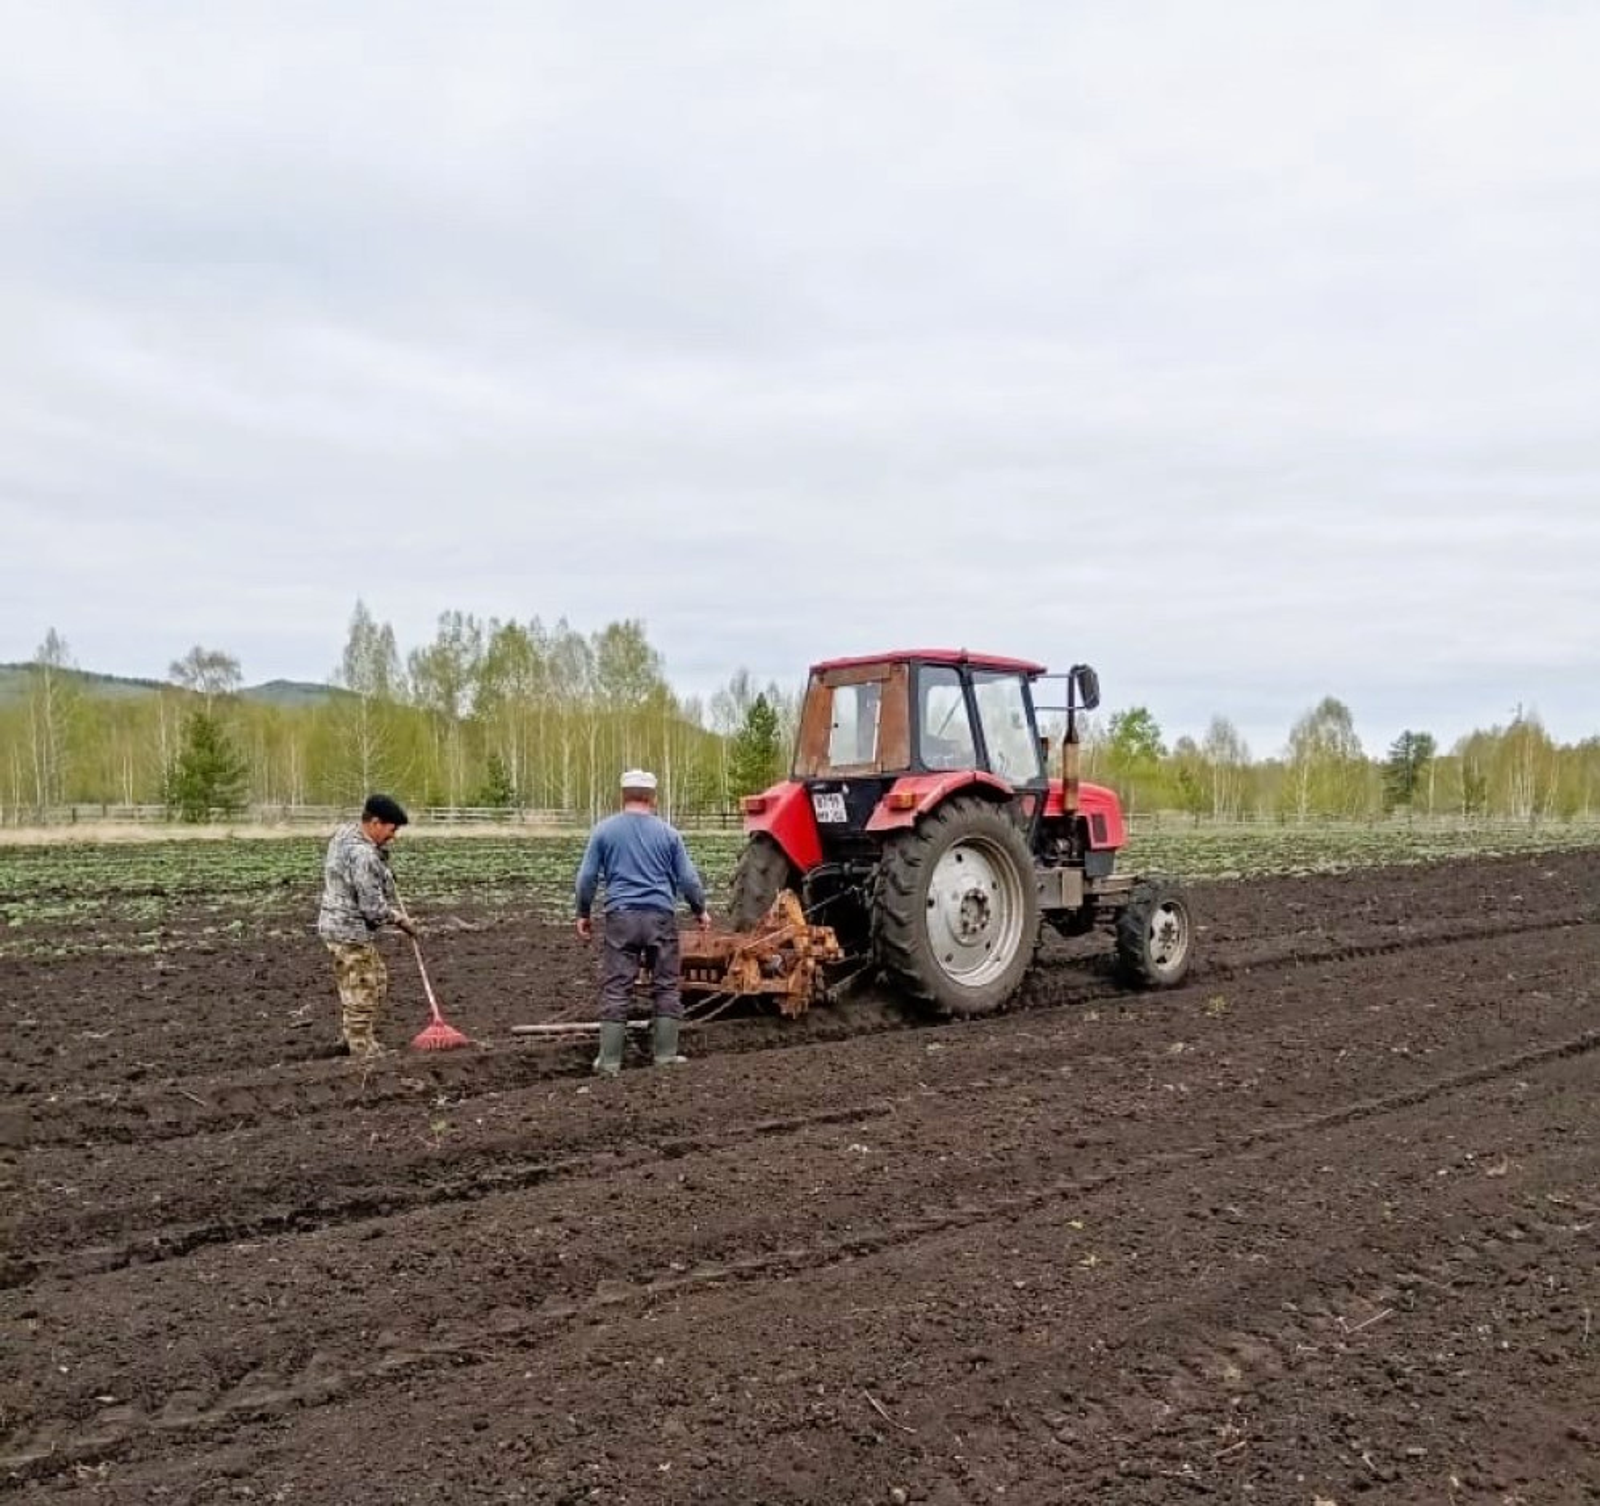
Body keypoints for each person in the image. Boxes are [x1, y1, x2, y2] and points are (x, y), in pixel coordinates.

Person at [574, 769, 711, 1076]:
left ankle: (609, 1062)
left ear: (622, 796)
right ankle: (664, 1057)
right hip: (660, 917)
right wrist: (700, 910)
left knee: (617, 986)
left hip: (620, 917)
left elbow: (585, 878)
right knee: (665, 985)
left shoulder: (604, 831)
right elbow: (688, 880)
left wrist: (583, 913)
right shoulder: (669, 834)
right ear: (653, 798)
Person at [316, 792, 417, 1059]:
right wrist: (400, 920)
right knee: (364, 987)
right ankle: (362, 1051)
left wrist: (381, 859)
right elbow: (372, 910)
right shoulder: (364, 856)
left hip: (334, 924)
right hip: (348, 930)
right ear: (375, 823)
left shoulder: (345, 834)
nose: (393, 836)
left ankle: (353, 1036)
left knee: (376, 980)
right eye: (391, 829)